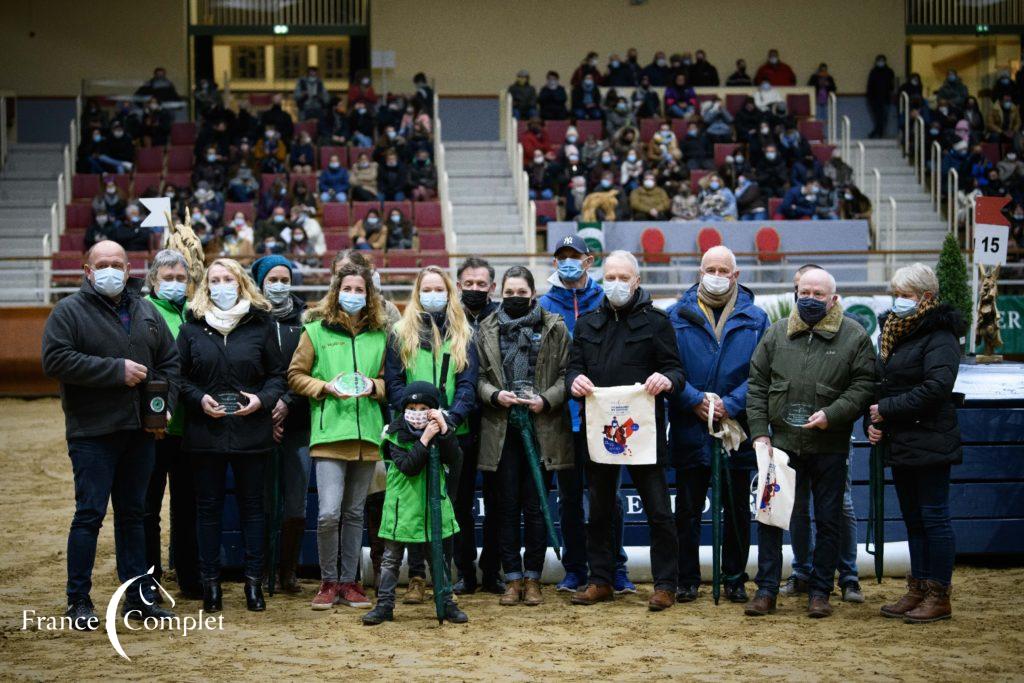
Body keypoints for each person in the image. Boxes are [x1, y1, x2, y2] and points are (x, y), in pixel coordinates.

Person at [41, 240, 179, 629]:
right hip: (93, 432)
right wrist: (114, 370)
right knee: (89, 515)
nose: (110, 270)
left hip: (140, 432)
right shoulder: (68, 311)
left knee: (134, 515)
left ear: (129, 268)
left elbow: (169, 361)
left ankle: (136, 598)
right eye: (102, 264)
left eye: (117, 263)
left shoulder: (146, 310)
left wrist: (162, 404)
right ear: (87, 271)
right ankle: (78, 600)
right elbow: (55, 359)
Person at [745, 267, 875, 618]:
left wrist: (833, 414)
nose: (812, 299)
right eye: (806, 292)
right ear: (795, 293)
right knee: (771, 518)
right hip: (781, 445)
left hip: (829, 445)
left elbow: (864, 385)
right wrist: (759, 431)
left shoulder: (855, 335)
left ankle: (820, 591)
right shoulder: (775, 334)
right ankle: (767, 590)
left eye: (820, 294)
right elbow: (756, 384)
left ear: (834, 298)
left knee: (828, 519)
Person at [566, 250, 683, 611]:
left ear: (637, 281)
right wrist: (575, 381)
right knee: (599, 510)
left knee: (659, 511)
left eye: (623, 278)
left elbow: (676, 371)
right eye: (611, 277)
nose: (616, 284)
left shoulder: (658, 322)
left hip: (643, 432)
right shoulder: (586, 323)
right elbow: (572, 369)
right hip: (601, 431)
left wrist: (666, 379)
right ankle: (600, 580)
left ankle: (665, 585)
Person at [176, 258, 287, 613]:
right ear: (206, 286)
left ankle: (253, 584)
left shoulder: (261, 323)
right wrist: (197, 399)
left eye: (229, 279)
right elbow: (179, 377)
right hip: (205, 434)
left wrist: (262, 400)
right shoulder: (191, 327)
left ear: (241, 283)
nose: (222, 285)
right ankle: (211, 586)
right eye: (215, 280)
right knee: (207, 510)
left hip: (252, 432)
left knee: (254, 510)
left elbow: (278, 375)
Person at [668, 246, 769, 604]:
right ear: (699, 272)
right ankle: (686, 579)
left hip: (736, 428)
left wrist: (730, 404)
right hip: (689, 425)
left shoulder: (756, 318)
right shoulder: (675, 315)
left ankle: (735, 578)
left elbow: (762, 372)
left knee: (738, 507)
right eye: (709, 268)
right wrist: (695, 400)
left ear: (736, 275)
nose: (716, 274)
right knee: (688, 508)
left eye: (722, 269)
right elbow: (669, 369)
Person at [287, 260, 388, 610]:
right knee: (329, 513)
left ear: (369, 294)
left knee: (355, 513)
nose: (353, 295)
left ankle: (350, 582)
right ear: (336, 292)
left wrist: (375, 386)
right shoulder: (315, 331)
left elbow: (393, 382)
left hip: (368, 437)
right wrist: (325, 387)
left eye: (360, 290)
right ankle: (328, 581)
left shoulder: (381, 334)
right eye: (347, 289)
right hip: (330, 434)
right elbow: (296, 375)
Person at [868, 264, 964, 623]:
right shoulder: (894, 332)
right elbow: (882, 385)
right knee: (914, 520)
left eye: (905, 295)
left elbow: (936, 387)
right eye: (895, 293)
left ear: (926, 297)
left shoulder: (941, 335)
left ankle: (940, 593)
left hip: (931, 437)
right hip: (903, 440)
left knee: (934, 517)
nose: (897, 301)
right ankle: (918, 588)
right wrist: (872, 420)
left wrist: (886, 410)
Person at [475, 266, 570, 606]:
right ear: (500, 291)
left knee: (536, 506)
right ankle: (511, 578)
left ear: (533, 293)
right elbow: (477, 377)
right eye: (510, 292)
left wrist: (545, 400)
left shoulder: (554, 327)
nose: (515, 297)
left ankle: (533, 578)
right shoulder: (484, 329)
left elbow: (567, 375)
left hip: (540, 426)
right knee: (504, 506)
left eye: (522, 292)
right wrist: (493, 395)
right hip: (500, 428)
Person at [384, 266, 479, 605]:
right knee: (413, 508)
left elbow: (468, 385)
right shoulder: (398, 332)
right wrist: (415, 416)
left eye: (440, 288)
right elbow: (393, 383)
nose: (433, 294)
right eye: (427, 288)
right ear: (418, 292)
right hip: (411, 434)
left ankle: (444, 577)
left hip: (453, 433)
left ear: (449, 292)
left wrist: (449, 417)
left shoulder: (464, 332)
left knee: (448, 508)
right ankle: (417, 577)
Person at [361, 382, 469, 625]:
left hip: (433, 509)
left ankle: (446, 603)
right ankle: (385, 605)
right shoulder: (394, 434)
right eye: (412, 407)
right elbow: (409, 467)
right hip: (401, 510)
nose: (417, 412)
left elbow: (456, 459)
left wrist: (444, 430)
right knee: (391, 560)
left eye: (423, 407)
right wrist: (425, 440)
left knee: (438, 560)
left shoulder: (440, 432)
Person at [247, 256, 311, 595]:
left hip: (298, 422)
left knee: (295, 502)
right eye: (273, 278)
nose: (280, 284)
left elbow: (312, 370)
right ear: (260, 281)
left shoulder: (306, 319)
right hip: (257, 420)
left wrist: (288, 402)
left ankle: (288, 570)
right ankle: (259, 569)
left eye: (285, 278)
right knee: (259, 501)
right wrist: (269, 406)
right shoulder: (248, 317)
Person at [142, 250, 200, 599]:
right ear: (153, 280)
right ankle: (149, 578)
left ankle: (189, 576)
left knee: (188, 506)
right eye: (168, 277)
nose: (176, 284)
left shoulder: (195, 314)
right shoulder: (143, 313)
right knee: (147, 507)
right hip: (151, 429)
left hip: (188, 427)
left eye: (181, 278)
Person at [453, 257, 504, 594]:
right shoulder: (447, 319)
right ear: (458, 286)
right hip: (459, 422)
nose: (474, 289)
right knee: (459, 502)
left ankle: (493, 571)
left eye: (480, 284)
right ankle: (465, 572)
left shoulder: (503, 318)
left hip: (497, 420)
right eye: (468, 284)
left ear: (492, 287)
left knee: (499, 500)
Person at [866, 55, 896, 139]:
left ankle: (878, 133)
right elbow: (870, 85)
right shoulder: (873, 72)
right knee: (878, 117)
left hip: (886, 98)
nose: (881, 62)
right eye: (879, 60)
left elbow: (892, 85)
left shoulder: (889, 72)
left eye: (882, 60)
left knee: (884, 117)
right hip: (874, 98)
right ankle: (878, 133)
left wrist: (892, 94)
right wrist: (869, 98)